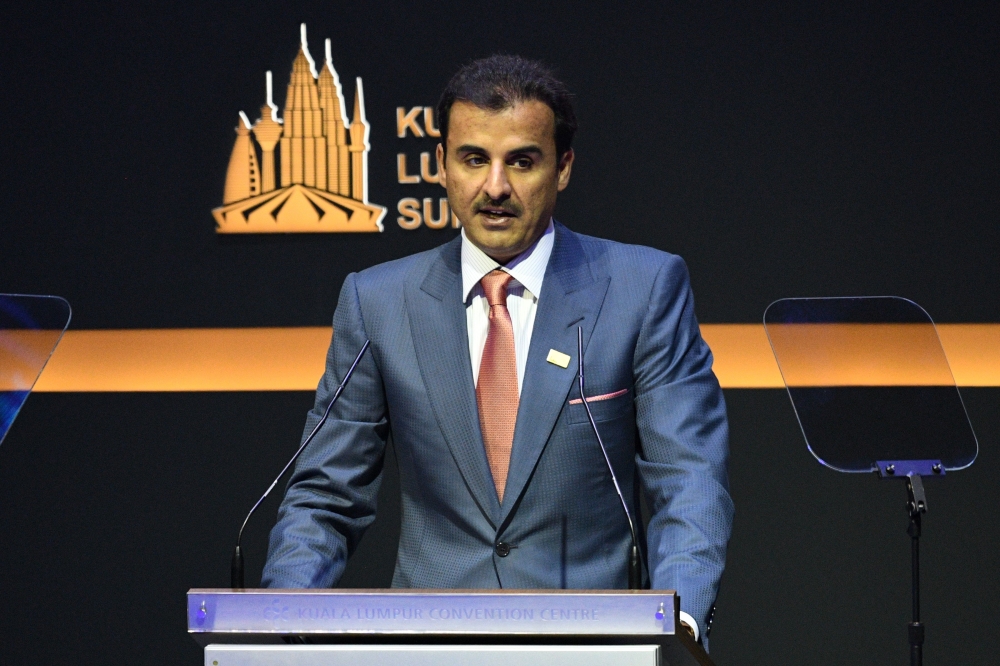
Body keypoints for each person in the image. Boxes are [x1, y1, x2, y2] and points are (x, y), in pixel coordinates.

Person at [262, 55, 733, 647]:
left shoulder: (643, 288)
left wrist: (680, 617)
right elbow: (326, 495)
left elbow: (686, 474)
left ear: (562, 168)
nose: (495, 187)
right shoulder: (378, 301)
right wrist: (281, 620)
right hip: (427, 649)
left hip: (595, 649)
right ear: (441, 165)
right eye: (474, 159)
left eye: (522, 161)